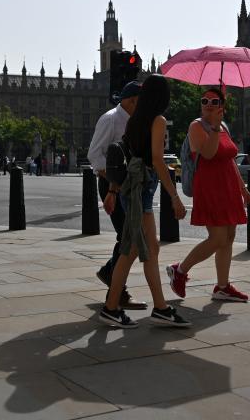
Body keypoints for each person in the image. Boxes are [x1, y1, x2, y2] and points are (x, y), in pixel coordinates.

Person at [102, 74, 189, 328]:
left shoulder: (135, 120)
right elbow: (158, 160)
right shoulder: (158, 120)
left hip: (134, 190)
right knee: (134, 251)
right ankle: (113, 308)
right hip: (142, 191)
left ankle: (158, 307)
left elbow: (126, 156)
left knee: (145, 250)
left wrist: (113, 191)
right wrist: (174, 196)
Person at [167, 87, 250, 303]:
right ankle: (180, 270)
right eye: (204, 101)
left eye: (214, 101)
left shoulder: (224, 126)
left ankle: (222, 287)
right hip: (210, 187)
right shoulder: (196, 126)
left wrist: (243, 188)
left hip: (228, 186)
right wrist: (214, 127)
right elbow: (207, 153)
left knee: (229, 237)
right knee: (217, 238)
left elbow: (230, 160)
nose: (207, 104)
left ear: (221, 107)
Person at [87, 80, 146, 311]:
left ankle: (110, 274)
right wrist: (115, 179)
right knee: (127, 237)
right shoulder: (110, 119)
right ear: (131, 101)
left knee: (128, 236)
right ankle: (116, 289)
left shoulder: (134, 120)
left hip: (128, 186)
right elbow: (94, 155)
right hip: (111, 185)